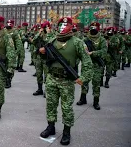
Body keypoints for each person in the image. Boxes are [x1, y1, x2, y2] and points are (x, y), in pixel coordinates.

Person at [39, 17, 93, 146]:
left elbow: (87, 62)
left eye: (66, 25)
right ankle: (50, 127)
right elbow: (45, 56)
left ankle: (66, 132)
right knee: (50, 105)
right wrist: (42, 53)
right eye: (61, 25)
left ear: (71, 26)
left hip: (67, 81)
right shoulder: (53, 40)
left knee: (67, 108)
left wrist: (83, 78)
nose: (63, 27)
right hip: (52, 78)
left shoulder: (77, 42)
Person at [76, 22, 107, 110]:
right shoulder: (85, 39)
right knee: (84, 82)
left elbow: (104, 51)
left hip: (97, 65)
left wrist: (92, 53)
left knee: (96, 83)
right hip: (86, 65)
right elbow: (81, 50)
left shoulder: (102, 40)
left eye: (94, 29)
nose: (93, 31)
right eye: (91, 29)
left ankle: (96, 101)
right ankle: (83, 98)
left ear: (98, 29)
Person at [32, 21, 53, 97]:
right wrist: (39, 33)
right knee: (39, 74)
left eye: (45, 27)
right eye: (43, 27)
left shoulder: (52, 35)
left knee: (47, 75)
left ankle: (47, 90)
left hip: (47, 58)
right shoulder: (40, 35)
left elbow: (49, 42)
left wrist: (48, 33)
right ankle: (39, 89)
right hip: (39, 57)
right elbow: (33, 41)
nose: (44, 29)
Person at [4, 19, 22, 88]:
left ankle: (9, 80)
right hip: (4, 52)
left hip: (12, 52)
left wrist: (15, 53)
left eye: (10, 23)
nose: (8, 24)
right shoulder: (4, 31)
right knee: (4, 67)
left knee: (10, 67)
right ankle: (5, 79)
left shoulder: (15, 32)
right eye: (8, 23)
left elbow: (19, 44)